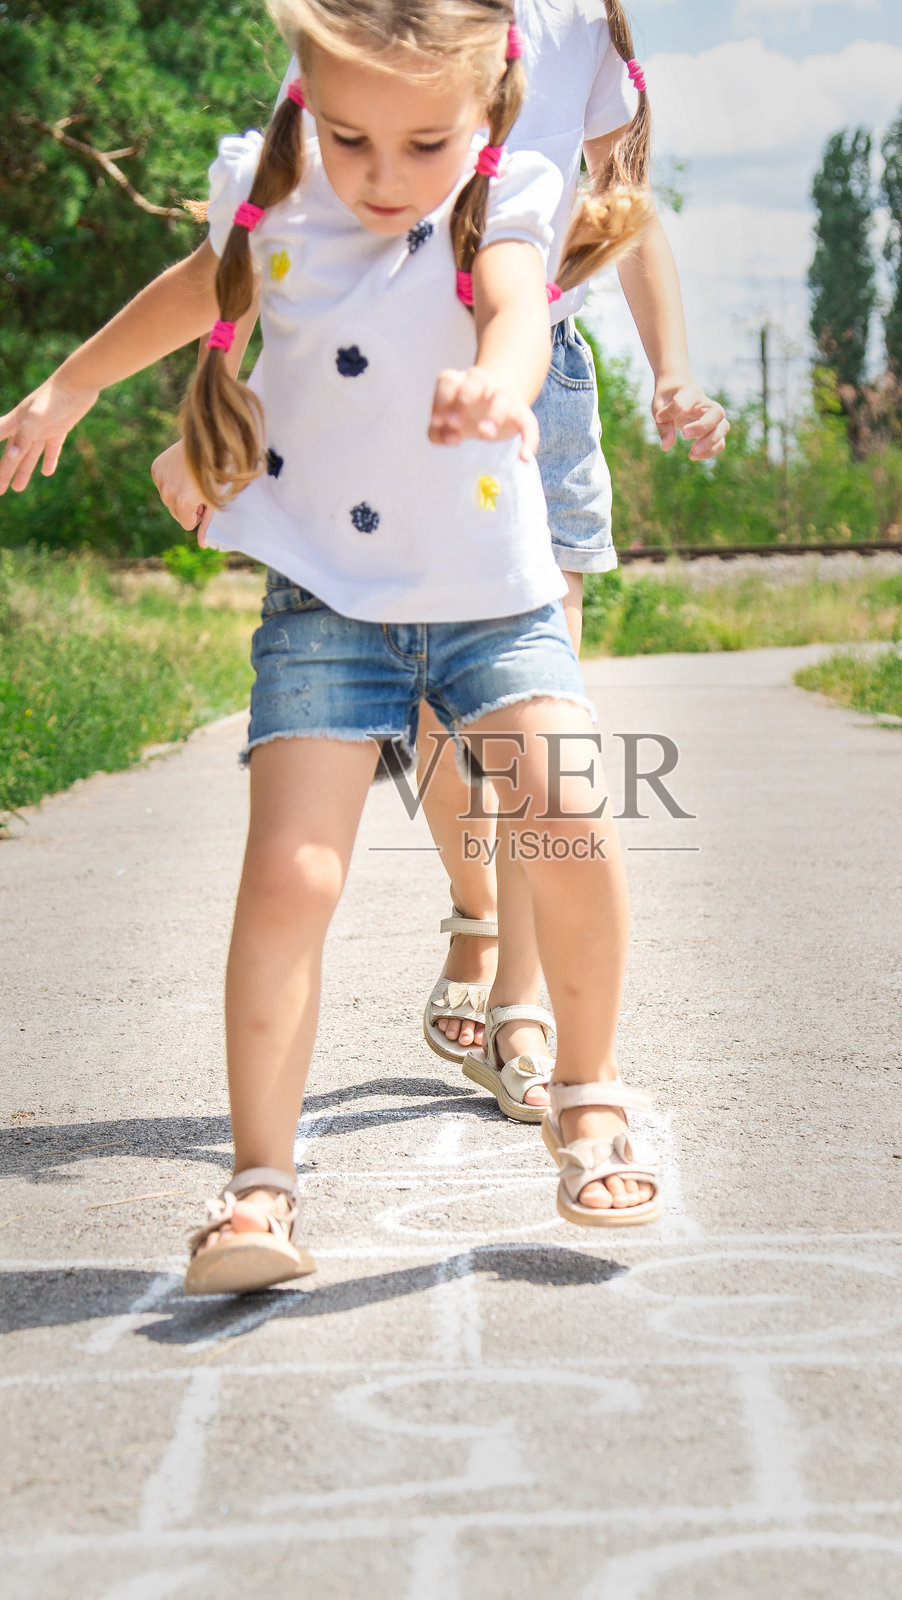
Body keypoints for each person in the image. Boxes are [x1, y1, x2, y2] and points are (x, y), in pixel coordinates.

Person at [0, 0, 665, 1292]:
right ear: (302, 87)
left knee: (568, 818)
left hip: (489, 596)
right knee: (291, 875)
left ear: (484, 102)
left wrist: (501, 383)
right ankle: (258, 1186)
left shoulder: (506, 190)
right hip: (322, 604)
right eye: (349, 136)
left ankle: (585, 1094)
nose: (379, 176)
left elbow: (520, 309)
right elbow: (198, 292)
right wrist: (71, 384)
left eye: (423, 144)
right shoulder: (273, 193)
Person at [150, 0, 730, 1120]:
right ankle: (476, 912)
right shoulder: (373, 21)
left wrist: (671, 373)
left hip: (527, 382)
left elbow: (622, 208)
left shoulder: (573, 24)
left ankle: (523, 1004)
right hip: (392, 389)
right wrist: (233, 409)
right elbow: (278, 238)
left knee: (530, 719)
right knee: (430, 724)